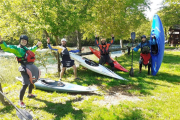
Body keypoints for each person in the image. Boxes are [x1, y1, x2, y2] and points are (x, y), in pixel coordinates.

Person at [0, 35, 42, 108]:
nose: (24, 41)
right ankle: (20, 101)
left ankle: (29, 94)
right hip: (24, 67)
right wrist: (1, 42)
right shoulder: (16, 48)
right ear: (20, 40)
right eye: (22, 40)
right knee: (25, 84)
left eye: (25, 41)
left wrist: (37, 46)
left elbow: (32, 49)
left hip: (30, 66)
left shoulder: (26, 48)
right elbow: (6, 48)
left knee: (32, 80)